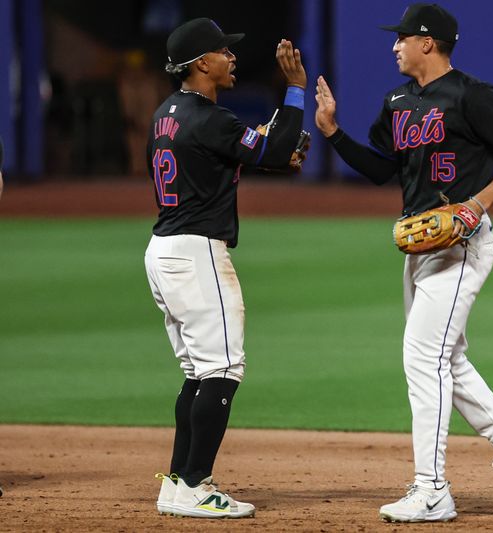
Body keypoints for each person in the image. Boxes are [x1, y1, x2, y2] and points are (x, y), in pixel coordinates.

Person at [314, 3, 493, 523]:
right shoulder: (397, 100)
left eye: (401, 37)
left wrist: (477, 204)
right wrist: (332, 133)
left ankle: (432, 488)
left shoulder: (472, 94)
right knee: (447, 359)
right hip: (422, 246)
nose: (394, 45)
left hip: (462, 244)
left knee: (422, 357)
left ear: (428, 42)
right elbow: (381, 169)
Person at [145, 17, 307, 519]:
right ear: (200, 64)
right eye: (222, 51)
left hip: (163, 250)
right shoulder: (208, 117)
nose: (232, 57)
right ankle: (196, 485)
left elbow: (224, 155)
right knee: (223, 371)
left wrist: (263, 154)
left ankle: (177, 481)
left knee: (197, 372)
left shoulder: (166, 113)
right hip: (196, 254)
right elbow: (273, 147)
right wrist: (296, 91)